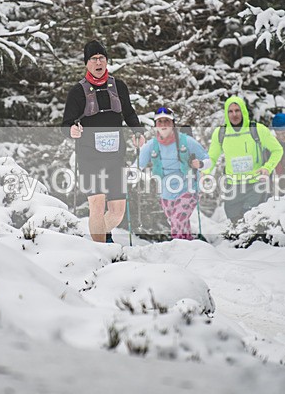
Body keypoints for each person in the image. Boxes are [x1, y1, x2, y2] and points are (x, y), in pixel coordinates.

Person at [62, 40, 145, 243]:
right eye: (93, 59)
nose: (98, 62)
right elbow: (66, 124)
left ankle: (97, 237)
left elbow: (129, 113)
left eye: (101, 58)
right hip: (90, 156)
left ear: (106, 61)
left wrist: (137, 131)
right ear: (87, 63)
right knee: (97, 205)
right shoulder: (78, 91)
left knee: (117, 211)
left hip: (115, 157)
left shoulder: (119, 87)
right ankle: (101, 251)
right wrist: (71, 130)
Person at [204, 96, 283, 223]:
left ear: (243, 111)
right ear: (226, 113)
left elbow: (277, 150)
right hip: (233, 186)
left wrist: (267, 167)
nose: (234, 114)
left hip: (256, 185)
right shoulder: (221, 133)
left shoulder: (257, 129)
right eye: (230, 111)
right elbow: (212, 158)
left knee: (252, 221)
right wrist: (205, 172)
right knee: (235, 222)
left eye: (237, 110)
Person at [138, 107, 211, 240]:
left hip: (188, 188)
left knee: (178, 220)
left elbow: (207, 160)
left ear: (173, 124)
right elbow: (138, 164)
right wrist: (131, 173)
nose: (164, 124)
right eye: (160, 121)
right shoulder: (152, 145)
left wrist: (200, 164)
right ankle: (189, 246)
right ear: (156, 125)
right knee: (178, 223)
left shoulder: (186, 141)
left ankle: (178, 249)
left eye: (167, 121)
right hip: (166, 191)